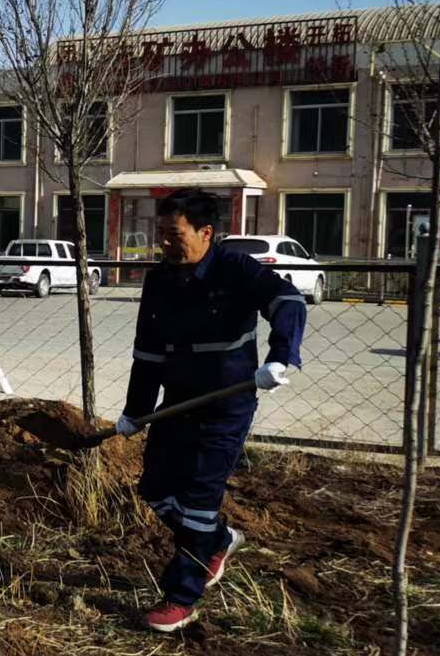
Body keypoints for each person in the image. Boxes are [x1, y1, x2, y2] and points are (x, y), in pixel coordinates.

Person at [114, 188, 307, 633]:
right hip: (177, 402)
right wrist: (136, 411)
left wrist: (280, 357)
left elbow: (288, 302)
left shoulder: (236, 269)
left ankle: (182, 597)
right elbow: (148, 353)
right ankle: (218, 540)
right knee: (155, 489)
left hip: (226, 404)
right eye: (160, 233)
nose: (164, 242)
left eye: (173, 234)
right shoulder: (160, 280)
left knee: (199, 501)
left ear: (206, 232)